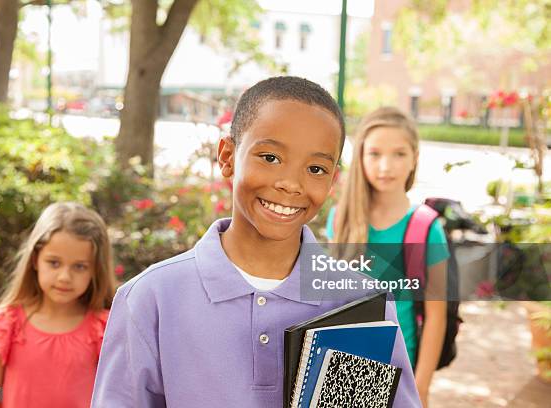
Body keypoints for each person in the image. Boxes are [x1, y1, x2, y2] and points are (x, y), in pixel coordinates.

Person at [92, 77, 422, 407]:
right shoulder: (152, 299)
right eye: (270, 157)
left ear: (332, 180)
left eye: (316, 168)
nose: (291, 183)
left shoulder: (361, 305)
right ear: (227, 157)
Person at [328, 106, 449, 408]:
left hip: (401, 368)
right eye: (375, 153)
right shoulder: (339, 219)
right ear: (361, 158)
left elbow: (436, 318)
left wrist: (421, 386)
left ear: (414, 159)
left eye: (399, 154)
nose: (386, 165)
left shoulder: (426, 228)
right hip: (347, 365)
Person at [0, 202, 117, 408]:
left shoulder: (104, 329)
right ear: (35, 260)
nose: (64, 277)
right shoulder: (3, 325)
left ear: (95, 270)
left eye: (79, 266)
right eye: (54, 263)